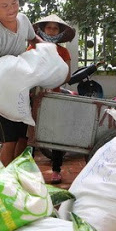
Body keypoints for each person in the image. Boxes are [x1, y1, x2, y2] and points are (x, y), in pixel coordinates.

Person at [0, 0, 43, 166]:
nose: (11, 9)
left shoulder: (23, 20)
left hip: (21, 91)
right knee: (9, 141)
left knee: (23, 138)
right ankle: (4, 185)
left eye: (14, 3)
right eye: (5, 5)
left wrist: (47, 49)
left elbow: (34, 39)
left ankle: (16, 176)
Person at [28, 14, 76, 183]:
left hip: (55, 96)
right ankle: (28, 170)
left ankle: (56, 170)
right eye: (48, 27)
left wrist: (52, 81)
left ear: (60, 32)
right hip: (34, 95)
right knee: (31, 133)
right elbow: (27, 68)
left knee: (56, 133)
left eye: (55, 28)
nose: (51, 31)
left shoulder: (63, 51)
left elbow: (67, 76)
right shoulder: (33, 48)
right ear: (42, 29)